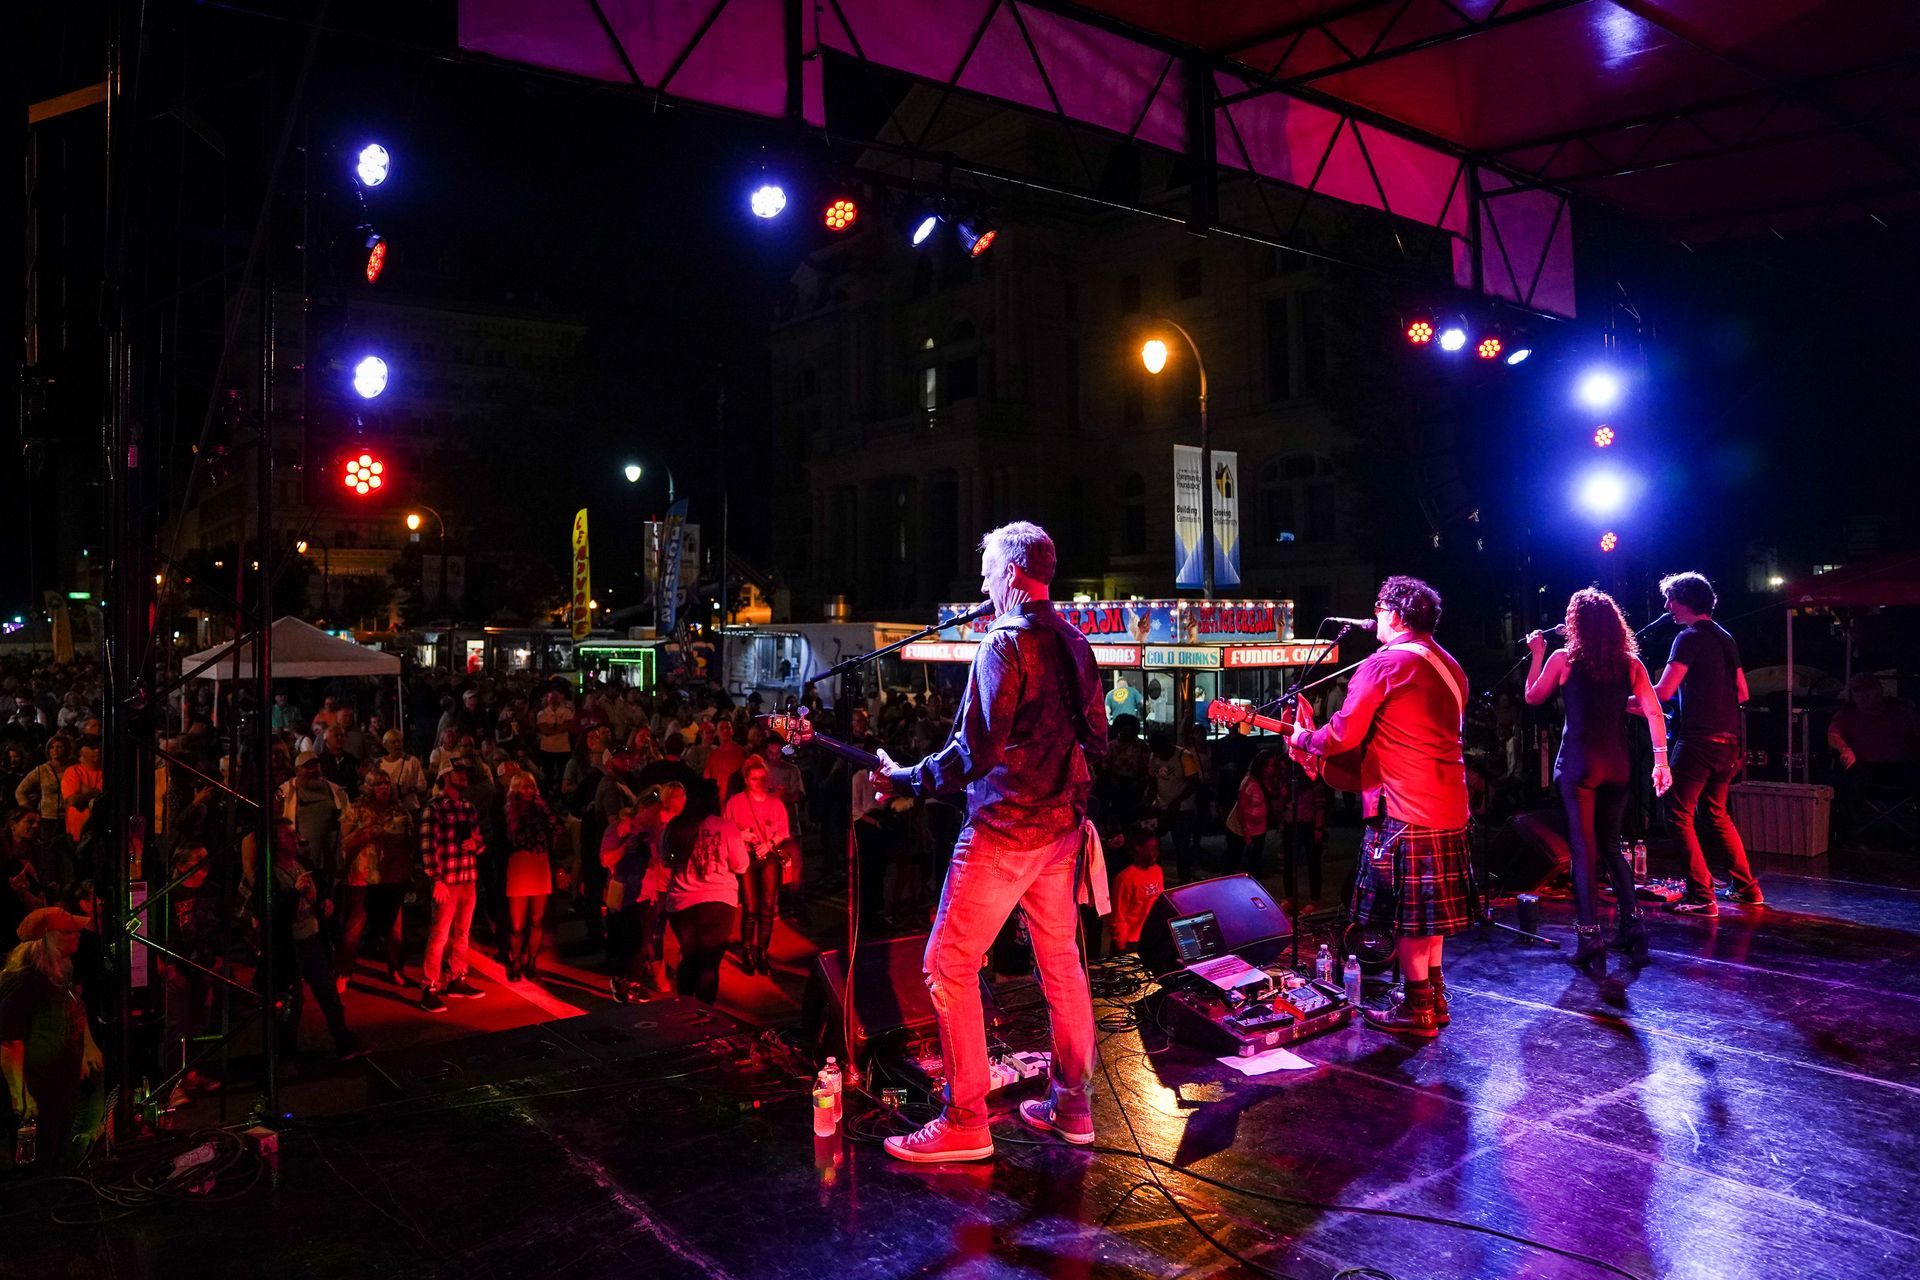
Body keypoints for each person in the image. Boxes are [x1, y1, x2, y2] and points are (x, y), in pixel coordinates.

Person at [870, 521, 1107, 1162]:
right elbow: (1099, 741)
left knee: (948, 965)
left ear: (1008, 575)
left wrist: (906, 781)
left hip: (1004, 833)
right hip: (1059, 833)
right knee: (1061, 966)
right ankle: (1074, 1108)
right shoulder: (1075, 641)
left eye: (986, 571)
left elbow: (977, 751)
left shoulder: (1005, 644)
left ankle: (965, 1120)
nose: (979, 583)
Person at [1288, 576, 1472, 1038]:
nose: (1373, 617)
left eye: (1378, 608)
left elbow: (1345, 733)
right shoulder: (1451, 666)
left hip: (1406, 809)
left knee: (1409, 917)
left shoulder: (1383, 665)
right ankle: (1432, 998)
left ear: (1393, 614)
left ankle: (1415, 1011)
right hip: (1450, 805)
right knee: (1430, 916)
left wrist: (1306, 739)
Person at [1525, 588, 1673, 974]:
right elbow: (1654, 712)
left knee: (1583, 852)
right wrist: (1661, 763)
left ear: (1575, 623)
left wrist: (1537, 654)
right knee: (1611, 846)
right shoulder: (1631, 663)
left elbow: (1532, 697)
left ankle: (1590, 935)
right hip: (1618, 765)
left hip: (1579, 765)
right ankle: (1633, 926)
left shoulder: (1563, 659)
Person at [1651, 572, 1762, 914]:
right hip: (1729, 742)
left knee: (1677, 812)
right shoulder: (1725, 637)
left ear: (1686, 601)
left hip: (1699, 741)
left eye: (1672, 599)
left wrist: (1618, 700)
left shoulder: (1688, 638)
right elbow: (1743, 692)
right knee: (1715, 814)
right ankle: (1748, 889)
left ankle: (1701, 896)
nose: (1668, 606)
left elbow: (1663, 693)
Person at [1, 907, 104, 1170]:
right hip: (38, 1088)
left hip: (62, 1084)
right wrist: (19, 1094)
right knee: (38, 1161)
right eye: (68, 932)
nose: (77, 935)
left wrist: (88, 1047)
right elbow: (9, 1041)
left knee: (61, 1153)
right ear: (45, 938)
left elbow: (76, 1008)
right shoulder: (25, 982)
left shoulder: (61, 972)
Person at [659, 791, 748, 1005]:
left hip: (682, 901)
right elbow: (741, 865)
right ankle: (705, 1013)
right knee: (709, 963)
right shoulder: (725, 827)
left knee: (689, 957)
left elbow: (665, 861)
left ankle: (685, 1007)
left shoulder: (674, 827)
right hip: (718, 901)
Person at [603, 782, 685, 1003]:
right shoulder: (619, 829)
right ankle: (620, 981)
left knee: (642, 941)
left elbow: (662, 860)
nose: (659, 815)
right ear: (642, 810)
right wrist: (624, 848)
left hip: (647, 894)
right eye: (655, 812)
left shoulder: (656, 832)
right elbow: (605, 860)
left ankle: (633, 982)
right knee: (626, 942)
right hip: (622, 896)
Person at [417, 761, 488, 1013]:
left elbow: (479, 841)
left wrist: (476, 845)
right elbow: (427, 845)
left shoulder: (467, 807)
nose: (464, 776)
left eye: (465, 772)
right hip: (448, 880)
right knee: (439, 936)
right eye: (458, 772)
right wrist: (436, 878)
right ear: (445, 776)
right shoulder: (435, 807)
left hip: (467, 878)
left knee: (462, 933)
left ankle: (457, 977)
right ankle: (429, 986)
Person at [337, 773, 414, 989]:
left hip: (391, 875)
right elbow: (343, 844)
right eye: (378, 784)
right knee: (354, 926)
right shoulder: (356, 809)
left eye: (386, 783)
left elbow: (410, 842)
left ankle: (396, 969)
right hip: (362, 876)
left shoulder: (398, 811)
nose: (383, 788)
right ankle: (343, 972)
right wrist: (365, 832)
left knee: (394, 929)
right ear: (368, 787)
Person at [724, 755, 791, 976]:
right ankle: (747, 951)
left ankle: (762, 951)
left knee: (767, 907)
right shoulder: (735, 802)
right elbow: (725, 829)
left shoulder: (775, 802)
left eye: (763, 778)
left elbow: (783, 832)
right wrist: (740, 834)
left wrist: (769, 843)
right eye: (755, 779)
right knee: (750, 908)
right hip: (746, 858)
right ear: (746, 779)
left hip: (768, 857)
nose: (760, 783)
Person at [502, 772, 560, 983]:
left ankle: (532, 961)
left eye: (532, 786)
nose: (529, 791)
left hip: (539, 864)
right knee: (517, 924)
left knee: (537, 920)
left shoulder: (540, 809)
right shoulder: (510, 810)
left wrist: (544, 806)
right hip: (520, 865)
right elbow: (515, 837)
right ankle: (516, 960)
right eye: (525, 787)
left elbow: (558, 825)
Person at [1146, 731, 1201, 881]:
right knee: (1153, 844)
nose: (1159, 754)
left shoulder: (1184, 756)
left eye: (1160, 750)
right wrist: (1149, 801)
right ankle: (1154, 878)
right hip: (1161, 806)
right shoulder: (1154, 757)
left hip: (1183, 809)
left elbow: (1194, 782)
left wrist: (1177, 801)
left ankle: (1184, 882)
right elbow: (1153, 781)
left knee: (1182, 847)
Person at [1109, 826, 1164, 954]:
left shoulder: (1157, 871)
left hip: (1150, 938)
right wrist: (1121, 947)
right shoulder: (1125, 878)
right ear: (1139, 849)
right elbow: (1118, 915)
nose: (1156, 853)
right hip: (1130, 942)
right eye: (1152, 849)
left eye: (1157, 849)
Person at [535, 689, 576, 792]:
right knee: (548, 772)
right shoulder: (542, 713)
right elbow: (545, 730)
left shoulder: (566, 711)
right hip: (547, 748)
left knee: (563, 772)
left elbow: (568, 725)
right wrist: (559, 727)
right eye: (550, 697)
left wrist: (552, 727)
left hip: (563, 748)